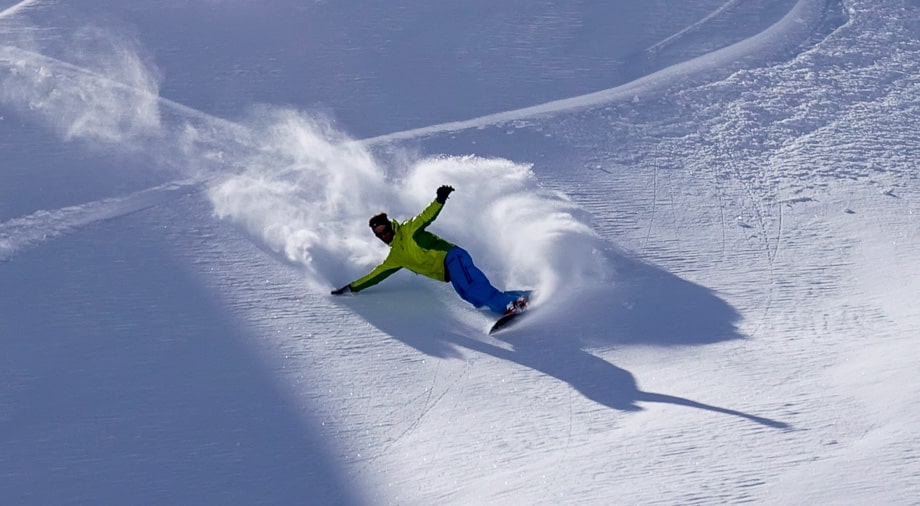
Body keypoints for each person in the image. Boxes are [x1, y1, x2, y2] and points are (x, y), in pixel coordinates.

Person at [331, 185, 529, 315]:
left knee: (474, 288)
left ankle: (508, 307)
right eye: (379, 235)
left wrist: (439, 200)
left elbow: (425, 216)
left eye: (384, 230)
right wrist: (351, 288)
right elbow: (375, 276)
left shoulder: (408, 229)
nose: (383, 236)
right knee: (472, 297)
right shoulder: (395, 257)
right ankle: (521, 297)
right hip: (449, 272)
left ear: (390, 225)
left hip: (453, 258)